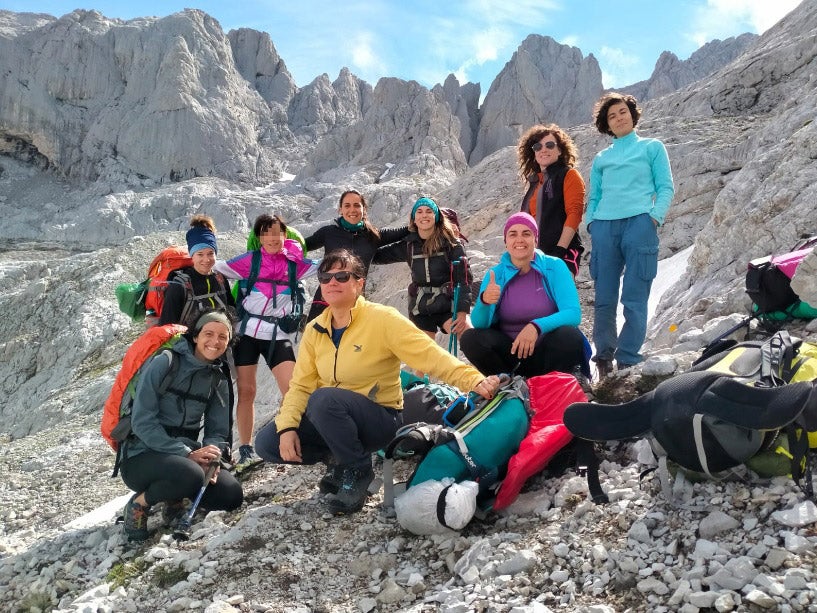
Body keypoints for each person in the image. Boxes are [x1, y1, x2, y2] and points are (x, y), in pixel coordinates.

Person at [254, 249, 501, 515]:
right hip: (333, 415)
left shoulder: (382, 319)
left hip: (380, 418)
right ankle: (337, 459)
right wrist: (288, 427)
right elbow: (301, 386)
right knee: (268, 441)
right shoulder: (316, 330)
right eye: (326, 277)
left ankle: (358, 470)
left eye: (342, 275)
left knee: (324, 399)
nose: (332, 282)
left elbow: (431, 356)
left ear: (359, 283)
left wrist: (473, 380)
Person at [119, 310, 243, 542]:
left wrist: (213, 456)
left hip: (185, 458)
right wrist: (187, 454)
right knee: (190, 474)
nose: (215, 342)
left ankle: (173, 498)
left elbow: (217, 430)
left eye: (222, 337)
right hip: (141, 455)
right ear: (195, 336)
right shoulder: (164, 363)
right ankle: (139, 503)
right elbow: (143, 423)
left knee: (231, 495)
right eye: (208, 333)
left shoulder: (218, 378)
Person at [213, 214, 318, 474]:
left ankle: (290, 434)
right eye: (266, 233)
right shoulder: (250, 260)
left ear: (285, 235)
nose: (272, 238)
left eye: (277, 232)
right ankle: (246, 448)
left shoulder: (295, 264)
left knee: (294, 389)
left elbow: (327, 265)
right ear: (259, 237)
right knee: (247, 391)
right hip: (246, 333)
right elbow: (217, 266)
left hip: (278, 335)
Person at [585, 92, 674, 376]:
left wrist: (653, 218)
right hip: (605, 228)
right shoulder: (601, 158)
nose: (619, 118)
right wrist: (592, 224)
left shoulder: (652, 147)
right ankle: (603, 357)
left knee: (635, 296)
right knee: (604, 297)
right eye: (612, 116)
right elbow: (594, 196)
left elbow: (665, 187)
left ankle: (628, 357)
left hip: (640, 224)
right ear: (606, 125)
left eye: (622, 112)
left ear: (633, 115)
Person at [460, 212, 587, 379]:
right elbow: (479, 324)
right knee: (470, 339)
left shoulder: (554, 266)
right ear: (506, 242)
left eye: (526, 234)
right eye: (513, 234)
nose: (519, 239)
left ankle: (552, 385)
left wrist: (536, 326)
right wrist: (484, 301)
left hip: (549, 354)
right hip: (511, 356)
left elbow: (573, 313)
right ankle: (508, 386)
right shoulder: (495, 274)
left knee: (569, 336)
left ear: (535, 239)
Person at [373, 197, 472, 341]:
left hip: (448, 305)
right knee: (424, 356)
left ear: (436, 216)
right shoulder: (408, 246)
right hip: (420, 308)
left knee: (470, 338)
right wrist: (363, 244)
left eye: (428, 211)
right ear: (414, 218)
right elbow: (377, 256)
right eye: (419, 212)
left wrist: (462, 312)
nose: (424, 215)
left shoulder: (452, 244)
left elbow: (464, 279)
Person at [303, 189, 409, 320]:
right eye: (347, 205)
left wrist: (425, 220)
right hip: (325, 300)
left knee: (354, 340)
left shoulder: (373, 236)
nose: (352, 210)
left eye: (357, 205)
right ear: (340, 209)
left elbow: (403, 232)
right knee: (316, 339)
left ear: (364, 209)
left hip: (355, 303)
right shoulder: (328, 233)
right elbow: (300, 246)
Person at [517, 124, 586, 276]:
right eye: (537, 146)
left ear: (560, 150)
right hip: (534, 256)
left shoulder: (569, 175)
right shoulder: (534, 183)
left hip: (562, 254)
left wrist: (560, 251)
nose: (543, 149)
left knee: (558, 298)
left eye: (550, 144)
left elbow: (574, 213)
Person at [159, 215, 235, 327]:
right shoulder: (179, 285)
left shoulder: (220, 279)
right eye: (200, 254)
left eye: (210, 253)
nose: (206, 259)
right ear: (192, 256)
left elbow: (232, 310)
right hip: (188, 343)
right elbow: (167, 325)